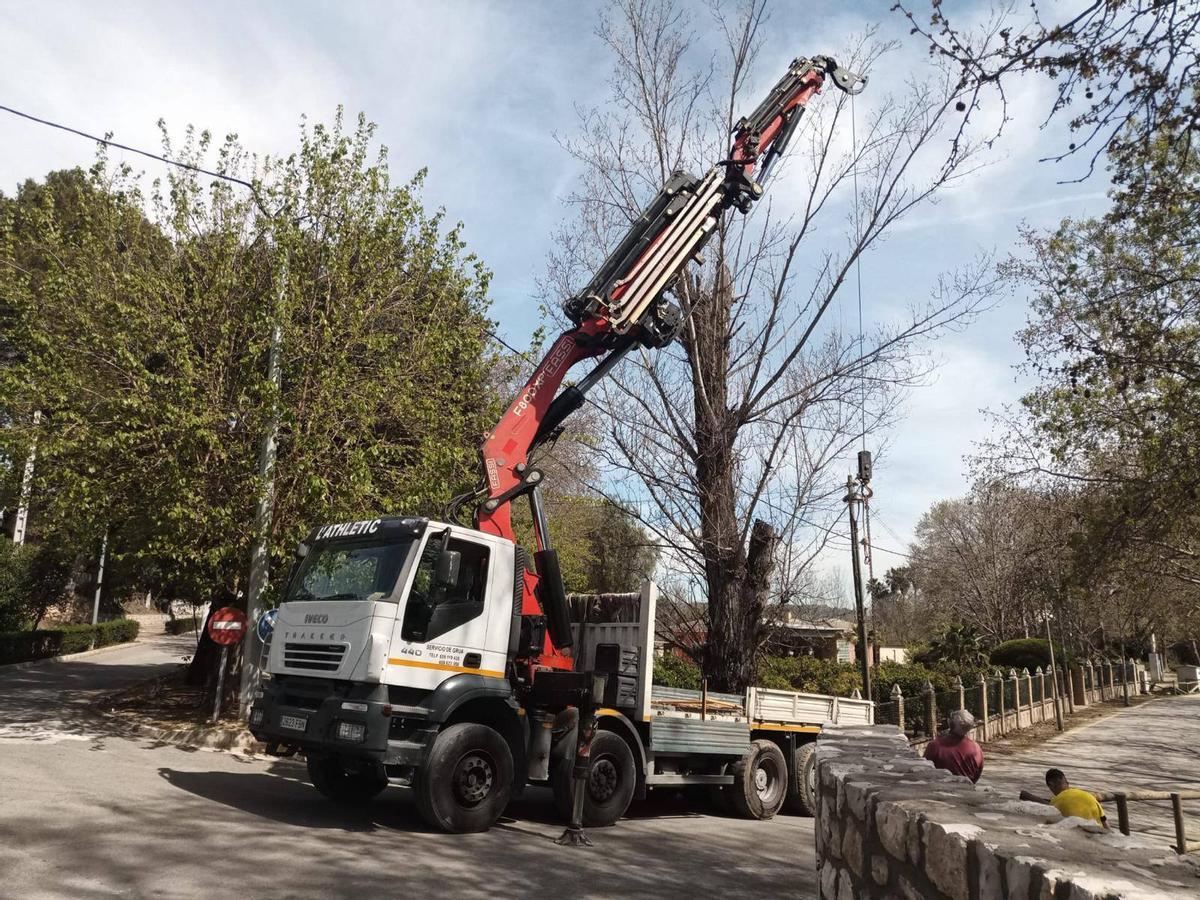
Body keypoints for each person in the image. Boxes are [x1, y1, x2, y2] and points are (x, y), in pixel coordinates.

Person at [923, 709, 984, 782]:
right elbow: (977, 773)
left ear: (949, 722)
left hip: (940, 789)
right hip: (967, 789)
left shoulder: (935, 746)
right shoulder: (976, 748)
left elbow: (925, 770)